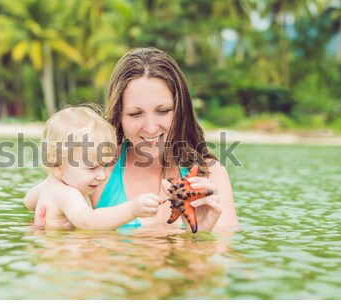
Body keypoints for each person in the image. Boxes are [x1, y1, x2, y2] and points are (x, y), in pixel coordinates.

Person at [25, 48, 239, 233]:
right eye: (135, 114)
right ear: (118, 115)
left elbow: (218, 269)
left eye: (163, 111)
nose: (151, 127)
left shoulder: (210, 174)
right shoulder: (99, 168)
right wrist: (53, 186)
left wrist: (199, 236)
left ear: (181, 110)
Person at [32, 105, 162, 230]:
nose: (102, 176)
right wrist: (132, 209)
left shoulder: (51, 184)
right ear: (57, 166)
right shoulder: (67, 193)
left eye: (105, 165)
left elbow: (28, 201)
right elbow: (88, 221)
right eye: (92, 168)